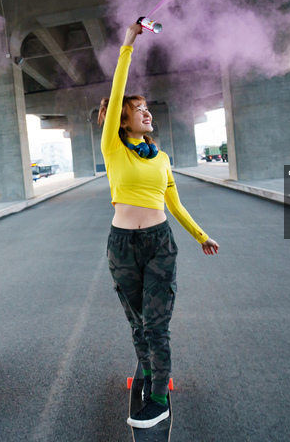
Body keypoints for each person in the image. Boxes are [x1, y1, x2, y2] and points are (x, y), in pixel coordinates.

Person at [98, 23, 219, 429]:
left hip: (159, 243)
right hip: (121, 246)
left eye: (148, 108)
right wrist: (128, 44)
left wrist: (201, 236)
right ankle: (148, 373)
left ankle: (159, 398)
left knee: (156, 324)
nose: (146, 112)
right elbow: (117, 89)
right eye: (138, 109)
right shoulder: (113, 148)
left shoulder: (162, 159)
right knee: (137, 323)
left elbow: (175, 204)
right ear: (123, 120)